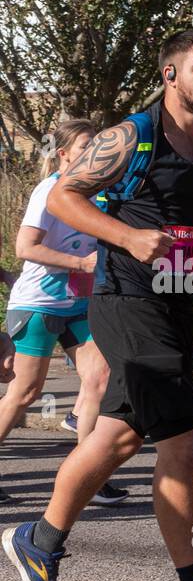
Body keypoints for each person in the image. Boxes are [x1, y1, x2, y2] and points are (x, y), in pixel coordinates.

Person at [3, 29, 193, 581]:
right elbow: (65, 196)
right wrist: (124, 237)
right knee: (185, 445)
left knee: (118, 436)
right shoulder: (131, 136)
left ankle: (38, 541)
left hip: (179, 301)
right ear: (171, 75)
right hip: (125, 300)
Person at [0, 119, 127, 506]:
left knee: (100, 379)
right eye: (85, 147)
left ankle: (87, 474)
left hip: (79, 305)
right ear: (64, 154)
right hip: (37, 303)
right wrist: (81, 264)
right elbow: (25, 248)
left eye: (97, 147)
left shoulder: (93, 192)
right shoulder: (49, 191)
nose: (92, 154)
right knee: (25, 393)